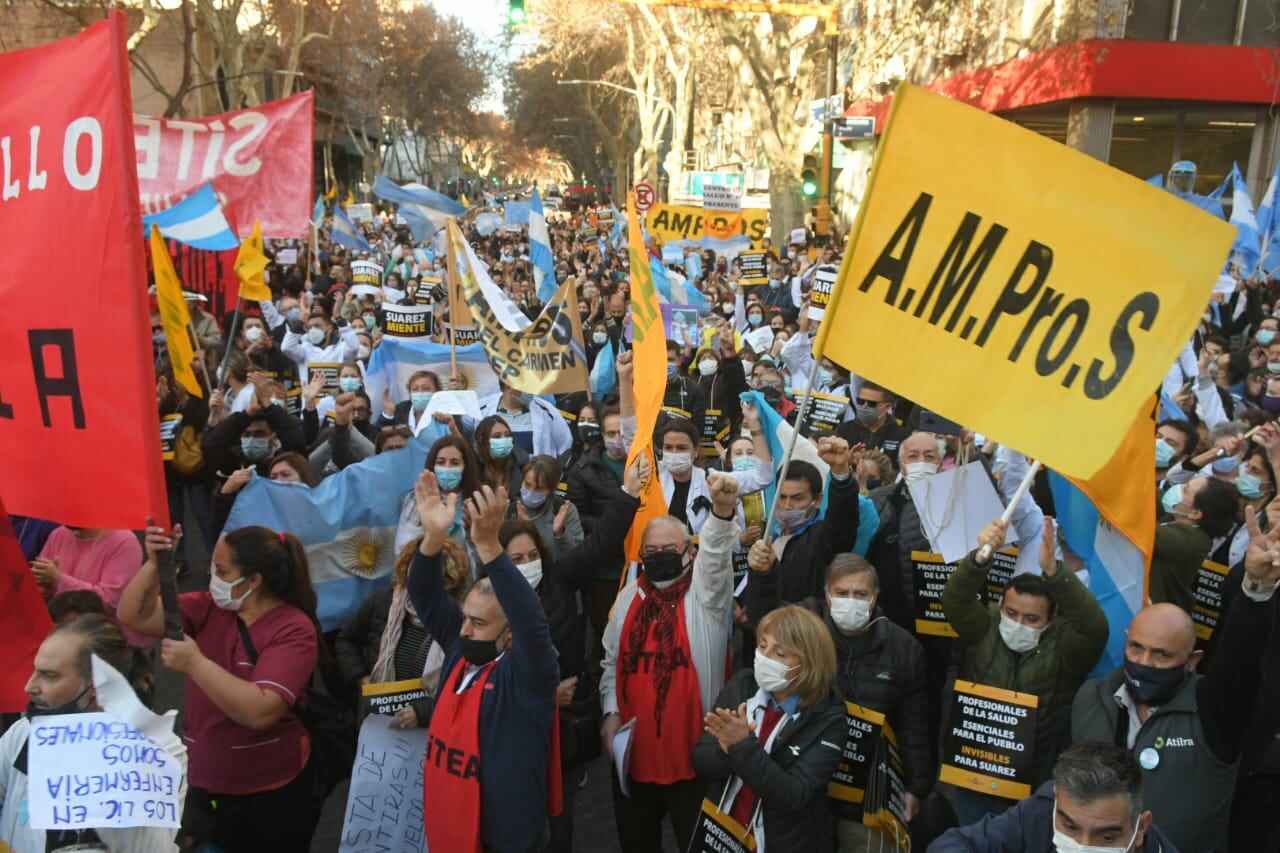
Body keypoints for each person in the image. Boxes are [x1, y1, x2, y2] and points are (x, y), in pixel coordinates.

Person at [1070, 504, 1280, 852]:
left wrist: (1256, 589)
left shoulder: (1213, 713)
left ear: (1193, 661)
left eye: (1162, 655)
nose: (1144, 662)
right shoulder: (1091, 697)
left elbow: (1241, 660)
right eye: (1136, 648)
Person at [119, 524, 324, 852]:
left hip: (269, 791)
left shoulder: (293, 629)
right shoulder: (209, 609)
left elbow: (261, 710)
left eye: (222, 570)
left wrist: (196, 664)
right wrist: (154, 566)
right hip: (206, 782)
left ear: (254, 580)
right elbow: (133, 615)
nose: (210, 576)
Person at [407, 475, 561, 852]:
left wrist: (490, 547)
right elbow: (424, 594)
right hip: (449, 822)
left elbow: (532, 622)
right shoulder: (461, 650)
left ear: (509, 635)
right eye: (464, 618)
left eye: (478, 623)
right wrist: (432, 537)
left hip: (505, 839)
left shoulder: (527, 675)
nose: (463, 630)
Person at [501, 456, 646, 852]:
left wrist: (629, 493)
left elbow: (601, 545)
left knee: (560, 819)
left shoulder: (558, 579)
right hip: (514, 733)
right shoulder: (489, 602)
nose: (527, 565)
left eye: (532, 556)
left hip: (563, 730)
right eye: (515, 560)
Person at [748, 552, 931, 844]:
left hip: (865, 787)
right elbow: (765, 619)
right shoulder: (808, 623)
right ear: (826, 594)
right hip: (803, 770)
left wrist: (915, 786)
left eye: (860, 593)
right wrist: (763, 575)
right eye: (841, 592)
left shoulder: (903, 648)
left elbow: (914, 723)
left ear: (874, 596)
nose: (851, 600)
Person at [600, 475, 739, 853]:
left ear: (688, 552)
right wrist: (611, 711)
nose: (659, 555)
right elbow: (612, 662)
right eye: (651, 550)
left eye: (668, 548)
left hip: (694, 763)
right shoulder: (629, 597)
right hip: (635, 759)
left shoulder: (707, 599)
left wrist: (722, 514)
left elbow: (714, 561)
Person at [942, 518, 1109, 824]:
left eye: (1031, 618)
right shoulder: (985, 630)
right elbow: (954, 600)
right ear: (1000, 608)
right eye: (1012, 613)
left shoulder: (1064, 649)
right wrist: (981, 557)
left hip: (1033, 783)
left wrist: (1055, 574)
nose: (1018, 623)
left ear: (1050, 621)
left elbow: (1094, 629)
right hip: (975, 773)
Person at [0, 615, 188, 852]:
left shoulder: (159, 749)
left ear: (97, 687)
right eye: (35, 670)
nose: (29, 686)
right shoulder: (24, 732)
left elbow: (150, 849)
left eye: (49, 675)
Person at [691, 605, 846, 851]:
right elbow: (700, 759)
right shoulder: (743, 685)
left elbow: (793, 795)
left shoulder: (829, 719)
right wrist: (724, 751)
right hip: (722, 833)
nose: (764, 658)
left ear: (808, 664)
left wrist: (741, 745)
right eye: (762, 646)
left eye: (780, 653)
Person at [928, 741, 1178, 852]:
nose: (1082, 845)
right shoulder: (1041, 811)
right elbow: (957, 844)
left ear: (1141, 827)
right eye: (1069, 827)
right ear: (1057, 800)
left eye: (1107, 837)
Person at [334, 538, 471, 725]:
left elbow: (463, 686)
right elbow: (347, 640)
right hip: (376, 723)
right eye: (416, 569)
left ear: (449, 577)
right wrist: (360, 677)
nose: (420, 578)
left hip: (428, 729)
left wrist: (422, 713)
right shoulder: (383, 601)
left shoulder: (457, 620)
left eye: (429, 572)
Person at [744, 437, 861, 603]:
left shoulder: (822, 538)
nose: (787, 506)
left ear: (818, 500)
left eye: (797, 498)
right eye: (782, 497)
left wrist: (840, 473)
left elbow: (842, 523)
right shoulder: (771, 533)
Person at [32, 525, 143, 639]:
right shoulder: (58, 534)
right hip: (60, 635)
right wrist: (43, 589)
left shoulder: (124, 542)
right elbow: (41, 588)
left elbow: (109, 603)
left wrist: (59, 580)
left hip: (105, 640)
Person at [1152, 476, 1236, 614]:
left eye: (1185, 489)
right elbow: (1146, 491)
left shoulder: (1193, 541)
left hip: (1160, 616)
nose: (1178, 488)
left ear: (1195, 513)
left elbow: (1141, 531)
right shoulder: (1174, 516)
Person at [477, 381, 573, 458]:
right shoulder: (479, 409)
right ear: (508, 386)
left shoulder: (548, 411)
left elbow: (565, 448)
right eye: (526, 386)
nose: (530, 390)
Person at [515, 455, 584, 562]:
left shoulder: (565, 511)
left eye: (539, 488)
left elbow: (576, 558)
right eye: (527, 485)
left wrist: (560, 533)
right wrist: (524, 531)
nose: (531, 492)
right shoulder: (509, 509)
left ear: (552, 488)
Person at [836, 381, 911, 456]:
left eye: (871, 404)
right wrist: (848, 461)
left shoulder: (902, 435)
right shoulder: (844, 430)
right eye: (861, 401)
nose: (864, 407)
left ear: (887, 407)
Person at [475, 414, 531, 494]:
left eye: (507, 435)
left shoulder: (521, 461)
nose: (504, 440)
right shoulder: (473, 463)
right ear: (481, 439)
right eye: (497, 437)